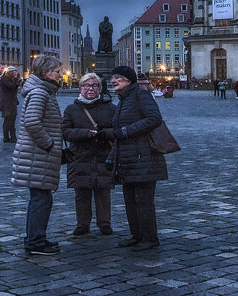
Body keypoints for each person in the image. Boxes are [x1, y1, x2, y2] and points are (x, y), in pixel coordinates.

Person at [105, 65, 167, 250]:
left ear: (129, 80)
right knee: (130, 199)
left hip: (144, 156)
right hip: (128, 157)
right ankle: (137, 235)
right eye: (113, 78)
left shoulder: (140, 95)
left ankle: (149, 238)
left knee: (143, 200)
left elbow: (154, 118)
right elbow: (118, 132)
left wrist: (127, 130)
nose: (113, 81)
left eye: (117, 77)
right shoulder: (124, 99)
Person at [11, 55, 64, 255]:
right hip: (38, 155)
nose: (60, 75)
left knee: (42, 199)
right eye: (57, 71)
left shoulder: (43, 91)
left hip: (38, 155)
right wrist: (49, 145)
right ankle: (35, 242)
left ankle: (37, 238)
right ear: (45, 73)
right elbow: (32, 123)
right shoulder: (40, 93)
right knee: (40, 200)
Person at [61, 72, 115, 236]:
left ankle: (104, 223)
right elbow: (65, 131)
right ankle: (82, 224)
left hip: (103, 155)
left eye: (94, 85)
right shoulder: (71, 109)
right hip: (80, 156)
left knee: (103, 192)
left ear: (99, 88)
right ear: (80, 88)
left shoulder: (110, 108)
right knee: (81, 192)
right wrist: (85, 133)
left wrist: (104, 133)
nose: (90, 89)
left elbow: (117, 130)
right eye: (86, 85)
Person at [0, 67, 20, 143]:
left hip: (11, 103)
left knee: (11, 120)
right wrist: (15, 79)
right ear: (10, 72)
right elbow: (11, 86)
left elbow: (13, 88)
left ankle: (11, 137)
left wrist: (17, 83)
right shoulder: (4, 79)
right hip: (7, 104)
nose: (15, 73)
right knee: (8, 121)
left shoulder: (8, 79)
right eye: (14, 72)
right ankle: (8, 137)